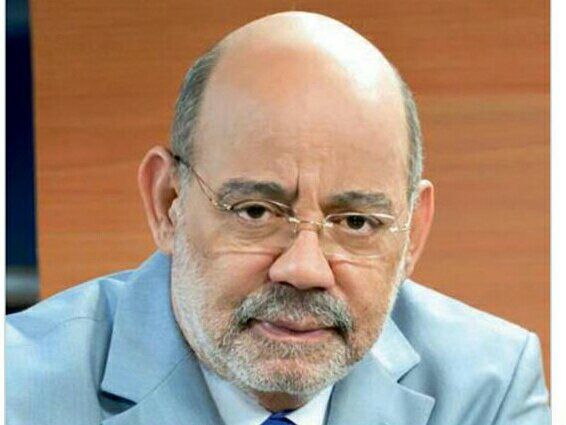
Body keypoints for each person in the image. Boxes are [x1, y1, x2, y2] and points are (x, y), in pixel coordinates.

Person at [6, 11, 550, 425]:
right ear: (167, 203)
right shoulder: (17, 390)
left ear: (413, 233)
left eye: (356, 222)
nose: (305, 269)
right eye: (256, 211)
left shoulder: (488, 387)